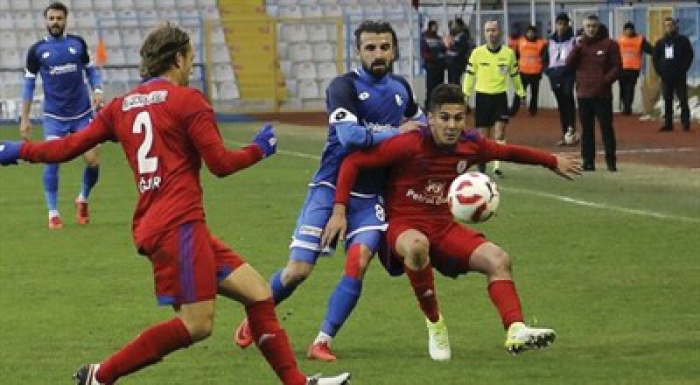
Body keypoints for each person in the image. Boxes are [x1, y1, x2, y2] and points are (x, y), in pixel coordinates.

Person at [0, 23, 349, 385]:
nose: (190, 67)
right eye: (191, 59)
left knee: (259, 293)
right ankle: (101, 375)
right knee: (197, 325)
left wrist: (17, 150)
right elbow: (221, 165)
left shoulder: (121, 107)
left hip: (166, 225)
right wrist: (260, 148)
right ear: (178, 58)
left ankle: (297, 383)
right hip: (177, 227)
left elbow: (67, 147)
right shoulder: (188, 100)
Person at [321, 84, 582, 361]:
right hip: (403, 226)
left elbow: (508, 153)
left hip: (444, 227)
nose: (451, 125)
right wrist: (339, 211)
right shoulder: (408, 144)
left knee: (499, 259)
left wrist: (551, 160)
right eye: (444, 118)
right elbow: (352, 162)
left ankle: (515, 328)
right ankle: (435, 324)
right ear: (430, 118)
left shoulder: (470, 145)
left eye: (458, 118)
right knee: (417, 246)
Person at [233, 20, 425, 362]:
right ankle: (255, 315)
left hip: (369, 197)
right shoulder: (343, 87)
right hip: (328, 188)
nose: (378, 54)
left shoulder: (401, 89)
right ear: (358, 51)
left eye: (384, 47)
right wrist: (397, 133)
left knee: (360, 259)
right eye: (370, 48)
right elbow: (351, 139)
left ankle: (322, 340)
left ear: (394, 49)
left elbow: (420, 127)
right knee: (298, 272)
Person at [21, 1, 103, 230]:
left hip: (82, 114)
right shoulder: (37, 51)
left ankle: (83, 198)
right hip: (54, 118)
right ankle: (53, 213)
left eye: (59, 18)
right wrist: (25, 117)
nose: (55, 22)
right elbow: (28, 84)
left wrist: (97, 90)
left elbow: (91, 70)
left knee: (93, 161)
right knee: (52, 159)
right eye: (51, 18)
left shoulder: (77, 44)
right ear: (46, 21)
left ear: (65, 20)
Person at [462, 20, 525, 178]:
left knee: (500, 132)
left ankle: (497, 167)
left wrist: (521, 93)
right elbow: (470, 77)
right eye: (488, 30)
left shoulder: (508, 54)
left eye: (494, 30)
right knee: (483, 136)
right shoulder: (477, 53)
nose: (491, 33)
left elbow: (515, 75)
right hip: (482, 97)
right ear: (484, 33)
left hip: (500, 97)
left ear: (500, 32)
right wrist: (465, 96)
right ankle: (482, 163)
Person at [566, 15, 621, 172]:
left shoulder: (610, 45)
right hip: (584, 94)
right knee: (587, 130)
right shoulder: (579, 45)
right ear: (584, 28)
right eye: (588, 26)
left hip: (602, 95)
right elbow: (569, 64)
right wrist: (577, 47)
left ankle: (611, 161)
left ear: (598, 27)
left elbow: (617, 67)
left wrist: (604, 81)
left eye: (594, 26)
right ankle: (588, 161)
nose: (591, 29)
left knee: (606, 128)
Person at [653, 17, 694, 132]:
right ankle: (668, 123)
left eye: (671, 25)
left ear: (675, 26)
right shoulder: (661, 43)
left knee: (683, 99)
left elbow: (689, 56)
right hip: (666, 77)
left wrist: (683, 69)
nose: (669, 27)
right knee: (667, 100)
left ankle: (685, 122)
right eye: (666, 25)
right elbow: (655, 58)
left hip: (679, 76)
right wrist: (660, 72)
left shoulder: (683, 40)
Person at [544, 13, 578, 146]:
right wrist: (548, 71)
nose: (562, 26)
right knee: (562, 104)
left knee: (568, 98)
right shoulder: (550, 41)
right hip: (555, 74)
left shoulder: (573, 40)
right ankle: (565, 133)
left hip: (568, 73)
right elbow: (545, 58)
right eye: (559, 23)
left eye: (564, 24)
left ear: (568, 24)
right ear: (556, 24)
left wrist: (572, 69)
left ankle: (571, 130)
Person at [616, 22, 654, 116]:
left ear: (633, 30)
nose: (629, 31)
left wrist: (657, 52)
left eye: (630, 29)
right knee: (623, 88)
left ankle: (627, 106)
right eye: (627, 29)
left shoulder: (640, 39)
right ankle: (624, 104)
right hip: (621, 68)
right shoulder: (619, 40)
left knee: (630, 88)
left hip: (634, 68)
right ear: (624, 30)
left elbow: (649, 49)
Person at [510, 25, 547, 117]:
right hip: (523, 72)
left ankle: (533, 111)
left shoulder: (541, 43)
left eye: (532, 32)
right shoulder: (520, 41)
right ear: (526, 33)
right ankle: (513, 110)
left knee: (534, 94)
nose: (530, 34)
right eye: (529, 32)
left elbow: (544, 57)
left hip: (535, 72)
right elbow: (517, 55)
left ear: (535, 33)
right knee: (519, 92)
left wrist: (542, 69)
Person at [421, 20, 447, 109]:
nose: (436, 28)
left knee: (440, 87)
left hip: (440, 67)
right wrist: (434, 57)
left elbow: (443, 49)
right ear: (430, 26)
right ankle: (429, 106)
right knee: (431, 88)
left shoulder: (438, 38)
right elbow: (424, 53)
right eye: (434, 26)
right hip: (431, 67)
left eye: (436, 26)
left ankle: (438, 105)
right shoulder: (425, 38)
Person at [445, 17, 473, 86]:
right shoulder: (454, 35)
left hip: (457, 63)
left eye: (455, 25)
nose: (453, 27)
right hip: (451, 63)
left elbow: (461, 50)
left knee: (455, 81)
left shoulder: (463, 36)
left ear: (460, 26)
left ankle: (456, 95)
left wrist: (452, 52)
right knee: (451, 81)